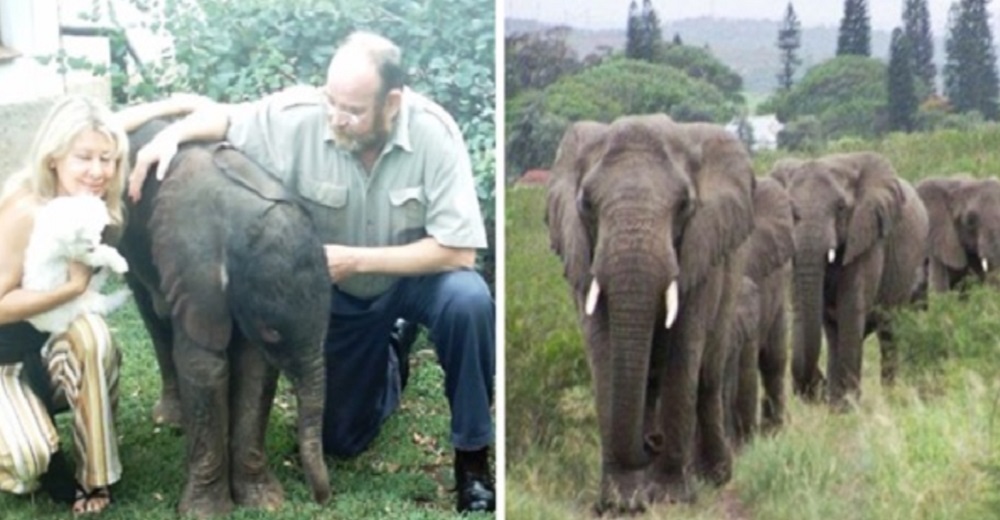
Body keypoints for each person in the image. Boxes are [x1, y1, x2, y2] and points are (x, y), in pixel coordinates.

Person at [128, 31, 496, 513]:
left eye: (353, 110)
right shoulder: (298, 117)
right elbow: (222, 116)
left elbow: (459, 252)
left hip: (415, 278)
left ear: (392, 103)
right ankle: (391, 354)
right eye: (331, 102)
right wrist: (168, 134)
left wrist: (358, 260)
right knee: (342, 438)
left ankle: (472, 460)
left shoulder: (434, 134)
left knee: (469, 300)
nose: (337, 118)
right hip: (337, 295)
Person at [0, 94, 209, 515]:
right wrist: (73, 288)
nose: (97, 171)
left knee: (94, 336)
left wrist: (170, 105)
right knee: (27, 462)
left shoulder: (95, 205)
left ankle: (96, 478)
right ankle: (28, 439)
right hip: (4, 356)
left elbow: (101, 129)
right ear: (55, 157)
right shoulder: (27, 208)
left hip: (48, 342)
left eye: (108, 160)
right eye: (85, 159)